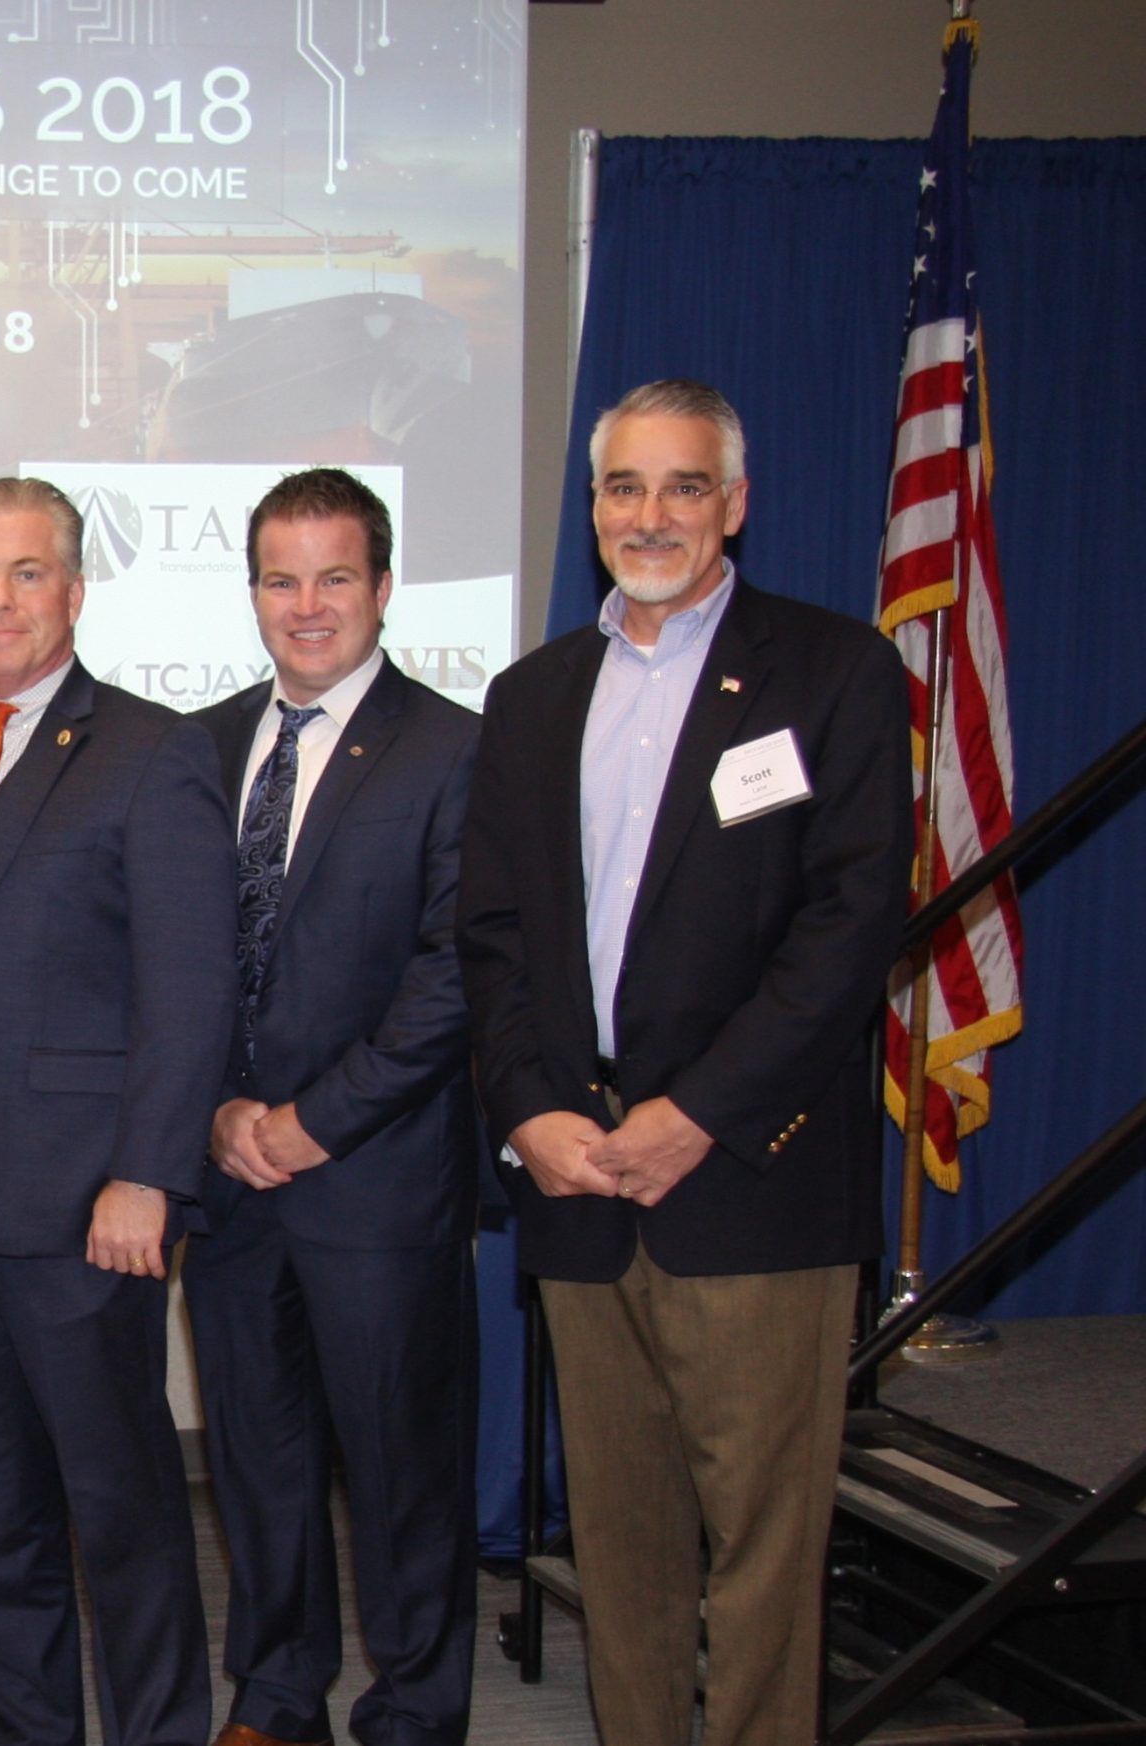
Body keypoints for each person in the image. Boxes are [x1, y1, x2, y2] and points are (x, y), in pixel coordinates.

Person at [457, 379, 912, 1746]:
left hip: (748, 1181)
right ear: (592, 509)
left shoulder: (832, 672)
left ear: (737, 502)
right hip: (577, 1180)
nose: (649, 516)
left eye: (683, 486)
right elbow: (490, 931)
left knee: (765, 1559)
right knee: (624, 1552)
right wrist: (530, 1106)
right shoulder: (532, 695)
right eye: (622, 488)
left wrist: (698, 1113)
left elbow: (851, 928)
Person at [0, 477, 237, 1746]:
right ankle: (28, 1727)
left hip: (87, 1208)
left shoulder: (153, 749)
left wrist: (151, 1176)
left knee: (115, 1500)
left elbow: (190, 991)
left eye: (26, 574)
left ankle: (159, 1733)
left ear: (73, 590)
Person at [187, 467, 483, 1746]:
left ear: (382, 586)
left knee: (402, 1476)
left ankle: (414, 1712)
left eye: (335, 577)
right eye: (279, 577)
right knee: (257, 1465)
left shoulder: (457, 749)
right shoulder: (194, 750)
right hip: (229, 1179)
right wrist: (212, 1114)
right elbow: (162, 963)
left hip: (376, 1184)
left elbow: (455, 970)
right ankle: (275, 1693)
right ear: (252, 588)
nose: (306, 606)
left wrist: (312, 1120)